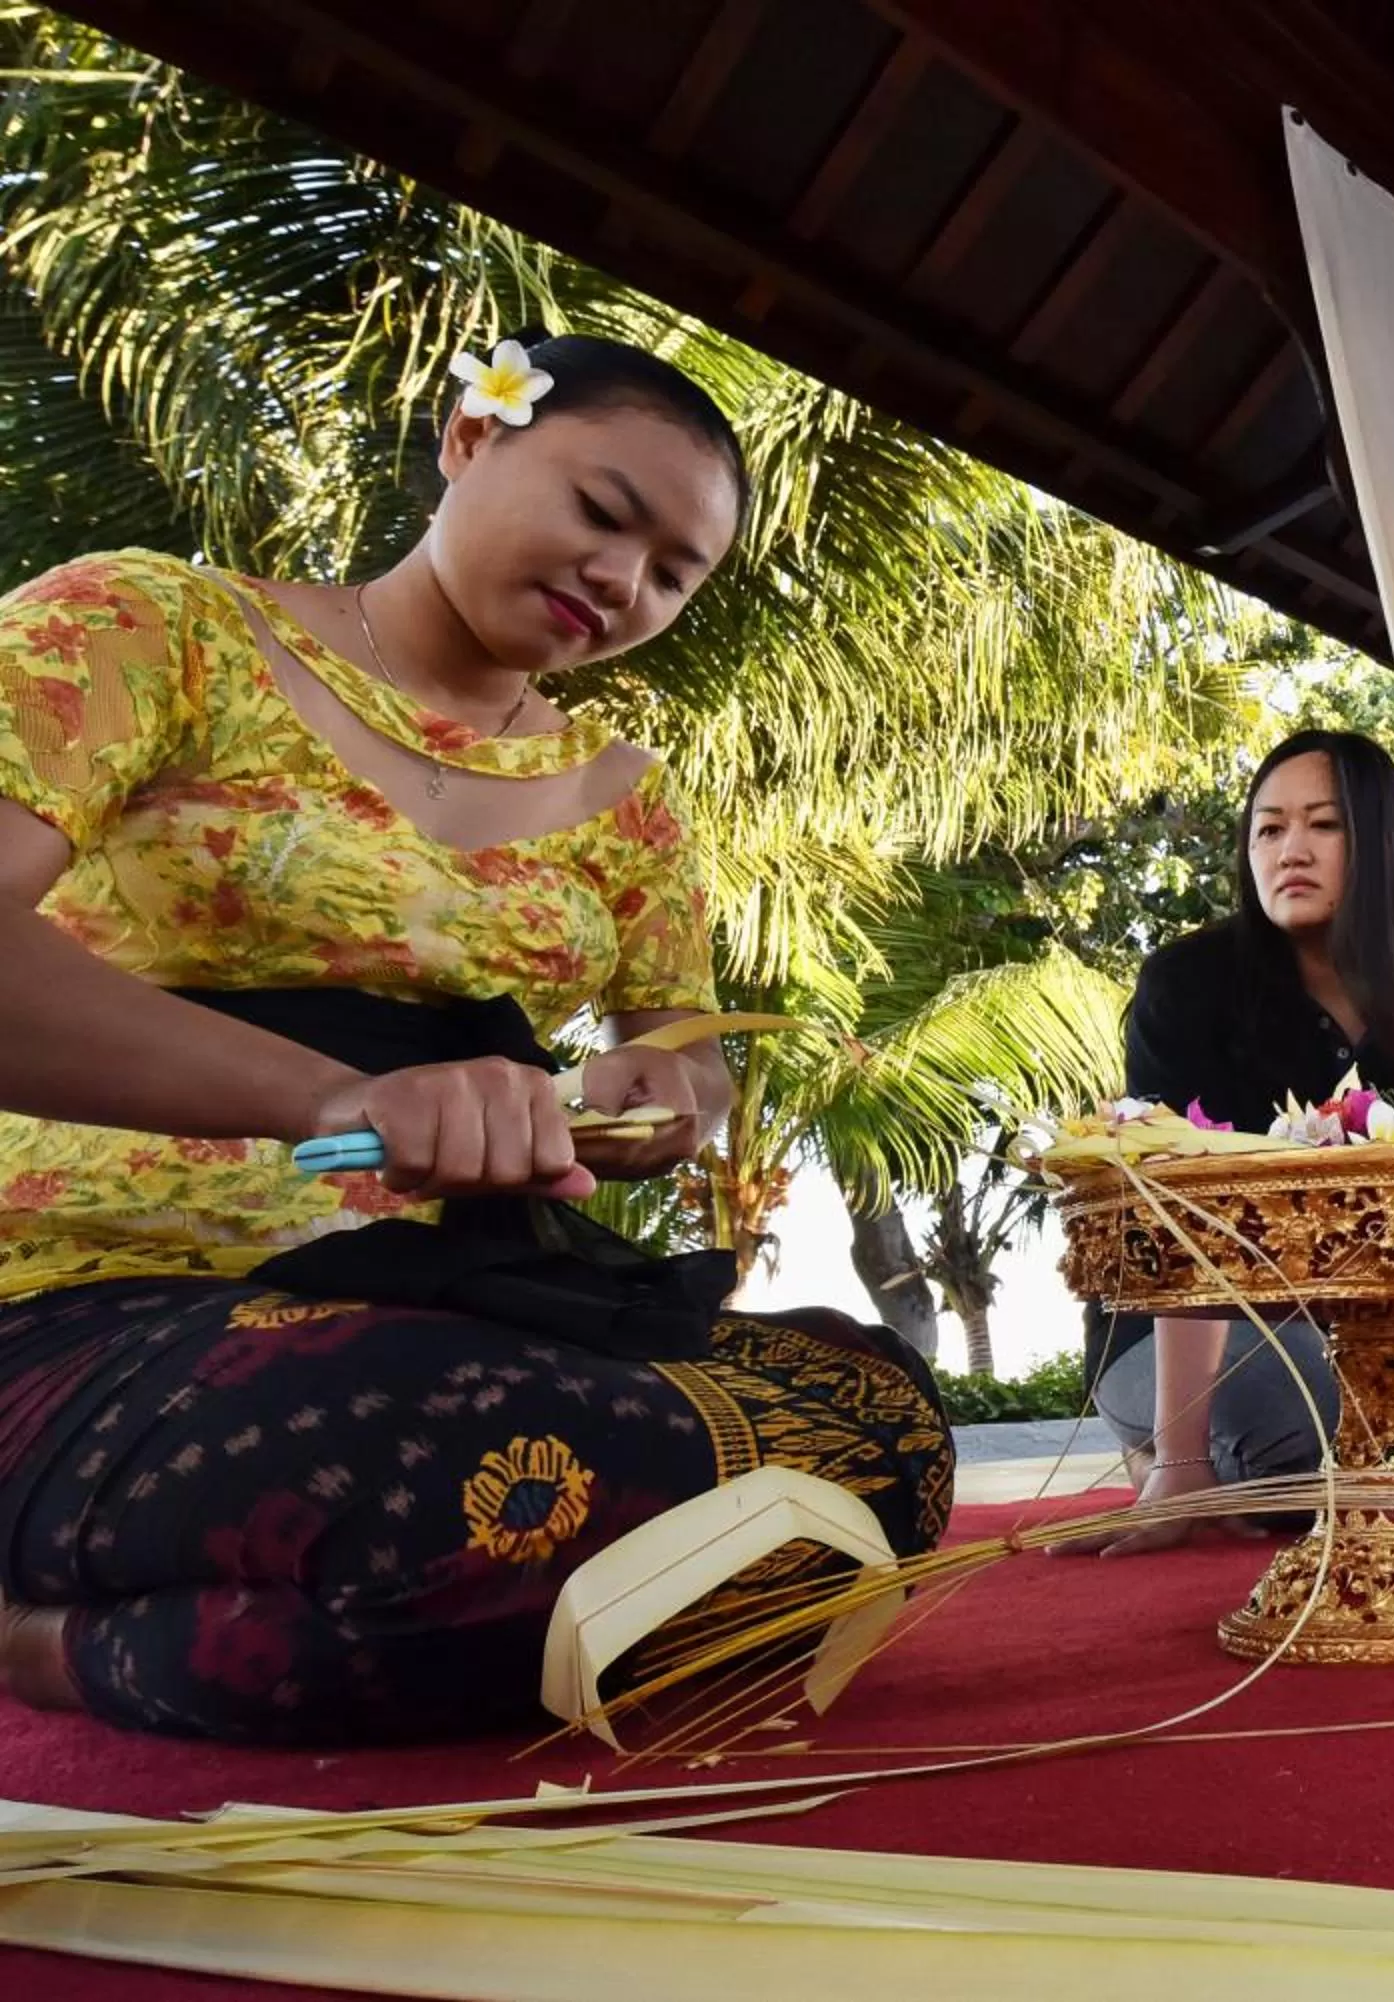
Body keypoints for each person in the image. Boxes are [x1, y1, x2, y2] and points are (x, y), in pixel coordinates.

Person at [0, 332, 950, 1742]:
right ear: (467, 439)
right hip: (100, 1293)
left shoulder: (625, 801)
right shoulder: (157, 628)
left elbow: (687, 1049)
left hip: (451, 1301)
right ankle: (38, 1639)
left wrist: (663, 1087)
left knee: (871, 1430)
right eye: (602, 511)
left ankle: (253, 1627)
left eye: (675, 573)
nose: (624, 581)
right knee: (471, 1472)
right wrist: (344, 1094)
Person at [1074, 730, 1394, 1555]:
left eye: (1322, 826)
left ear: (1376, 843)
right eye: (1268, 829)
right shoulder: (1187, 986)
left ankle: (1249, 1467)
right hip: (1201, 1325)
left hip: (1390, 1331)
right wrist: (1183, 1461)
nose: (1289, 851)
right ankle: (1169, 1445)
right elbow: (1172, 1218)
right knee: (1301, 1449)